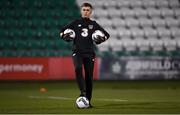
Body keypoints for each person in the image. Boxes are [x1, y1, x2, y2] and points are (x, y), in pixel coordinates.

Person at [60, 2, 110, 108]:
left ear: (90, 12)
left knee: (89, 77)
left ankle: (88, 101)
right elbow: (62, 32)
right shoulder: (75, 22)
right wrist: (65, 36)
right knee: (78, 68)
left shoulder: (94, 24)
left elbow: (106, 35)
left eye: (88, 10)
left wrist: (100, 39)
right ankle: (83, 92)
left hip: (89, 53)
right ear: (81, 11)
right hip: (77, 52)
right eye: (84, 10)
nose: (85, 12)